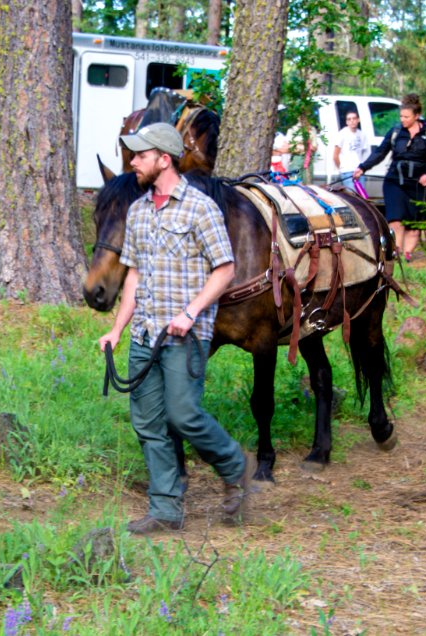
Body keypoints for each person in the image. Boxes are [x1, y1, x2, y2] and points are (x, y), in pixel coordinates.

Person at [98, 123, 247, 534]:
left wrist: (191, 312)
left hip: (184, 335)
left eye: (140, 156)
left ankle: (234, 465)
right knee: (148, 423)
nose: (132, 163)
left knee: (183, 415)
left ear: (164, 158)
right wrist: (116, 330)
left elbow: (226, 269)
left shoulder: (201, 208)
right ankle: (165, 509)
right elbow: (133, 277)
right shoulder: (138, 211)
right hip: (146, 334)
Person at [354, 94, 426, 263]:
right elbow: (380, 152)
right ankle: (396, 253)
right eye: (401, 116)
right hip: (395, 181)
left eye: (406, 117)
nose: (403, 120)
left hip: (419, 184)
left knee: (413, 224)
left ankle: (408, 255)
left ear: (416, 116)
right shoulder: (395, 132)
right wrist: (363, 167)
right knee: (395, 219)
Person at [333, 111, 370, 195]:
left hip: (359, 171)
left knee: (362, 198)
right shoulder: (342, 134)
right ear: (346, 122)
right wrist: (342, 168)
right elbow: (335, 155)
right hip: (347, 171)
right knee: (352, 197)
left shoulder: (362, 134)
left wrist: (362, 168)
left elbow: (364, 153)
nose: (352, 121)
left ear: (358, 120)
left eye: (354, 118)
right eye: (349, 119)